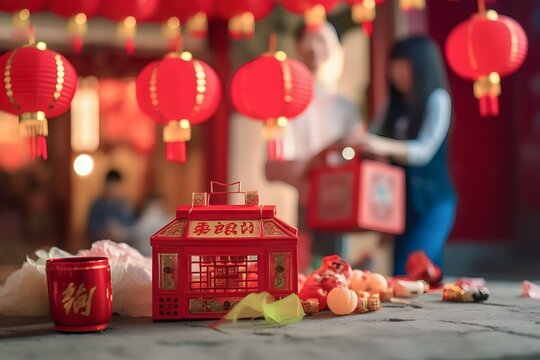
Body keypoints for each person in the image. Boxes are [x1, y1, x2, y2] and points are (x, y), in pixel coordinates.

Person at [345, 36, 456, 275]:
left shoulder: (437, 99)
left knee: (416, 269)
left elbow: (423, 151)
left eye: (405, 65)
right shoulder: (392, 105)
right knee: (401, 274)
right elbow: (372, 136)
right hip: (399, 203)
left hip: (432, 202)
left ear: (423, 67)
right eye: (395, 66)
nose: (398, 73)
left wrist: (379, 145)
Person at [265, 22, 360, 271]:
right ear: (298, 46)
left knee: (337, 268)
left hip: (341, 200)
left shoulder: (345, 108)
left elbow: (356, 152)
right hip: (306, 197)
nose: (315, 49)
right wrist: (308, 168)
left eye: (322, 41)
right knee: (307, 269)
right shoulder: (286, 103)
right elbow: (273, 164)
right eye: (309, 41)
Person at [87, 169, 136, 244]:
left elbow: (133, 229)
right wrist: (106, 232)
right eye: (111, 186)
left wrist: (121, 232)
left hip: (120, 247)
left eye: (116, 186)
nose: (113, 190)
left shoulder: (125, 205)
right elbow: (90, 230)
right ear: (106, 185)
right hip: (101, 246)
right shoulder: (98, 205)